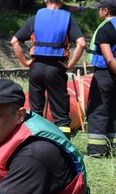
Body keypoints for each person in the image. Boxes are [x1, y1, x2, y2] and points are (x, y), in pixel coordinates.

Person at [10, 0, 86, 138]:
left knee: (35, 110)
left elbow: (14, 41)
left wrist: (25, 62)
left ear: (45, 0)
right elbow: (81, 43)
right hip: (56, 68)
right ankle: (62, 146)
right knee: (61, 113)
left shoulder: (35, 18)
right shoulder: (67, 18)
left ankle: (35, 142)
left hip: (36, 67)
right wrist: (70, 65)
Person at [86, 0, 116, 157]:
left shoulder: (105, 29)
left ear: (105, 11)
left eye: (99, 9)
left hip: (106, 74)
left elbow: (109, 59)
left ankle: (96, 152)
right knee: (114, 110)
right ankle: (113, 149)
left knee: (99, 110)